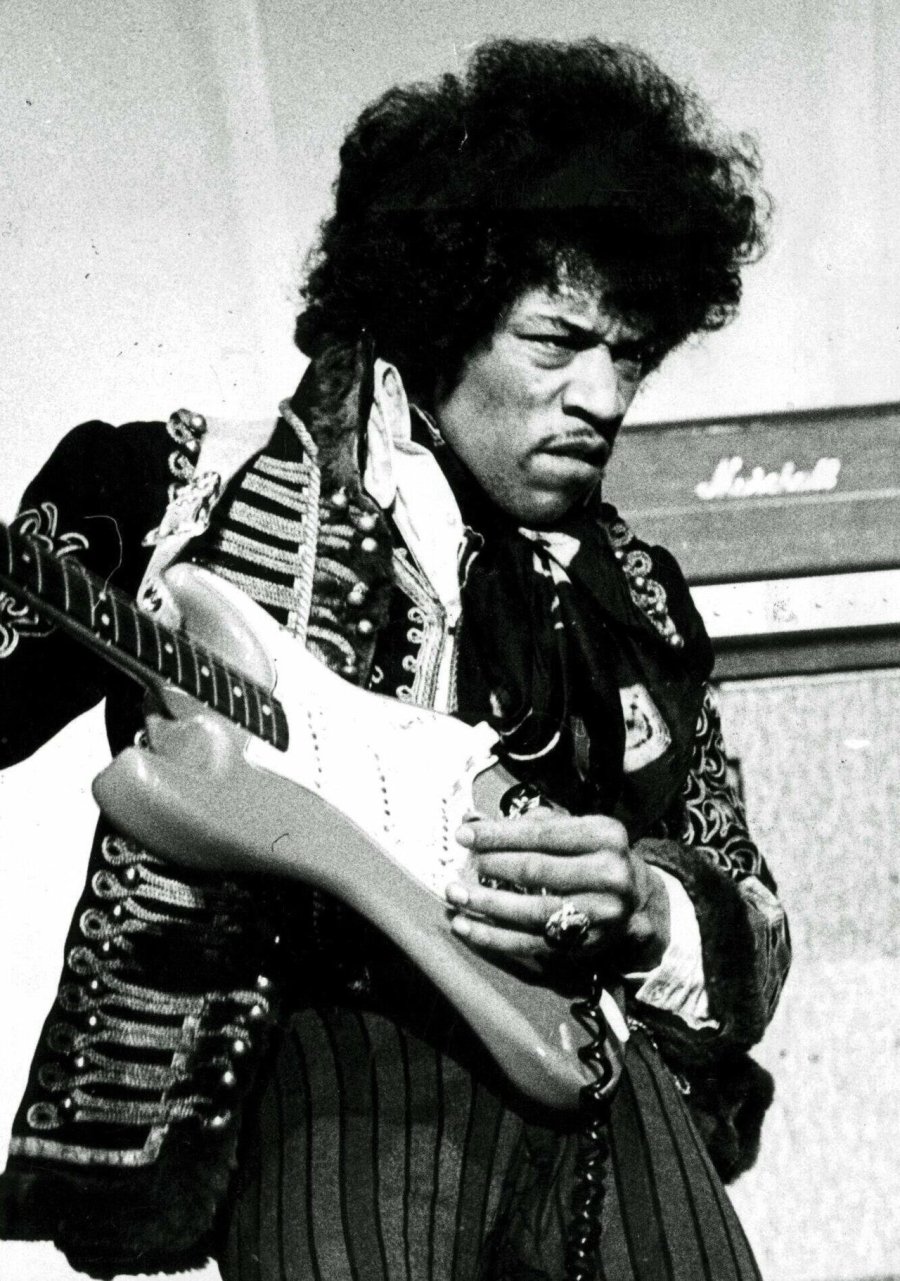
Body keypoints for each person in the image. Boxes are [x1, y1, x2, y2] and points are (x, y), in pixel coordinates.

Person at [0, 37, 791, 1281]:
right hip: (339, 1073)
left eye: (630, 353)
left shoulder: (640, 599)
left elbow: (752, 913)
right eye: (556, 341)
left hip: (615, 1090)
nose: (603, 396)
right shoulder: (186, 495)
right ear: (445, 316)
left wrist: (649, 902)